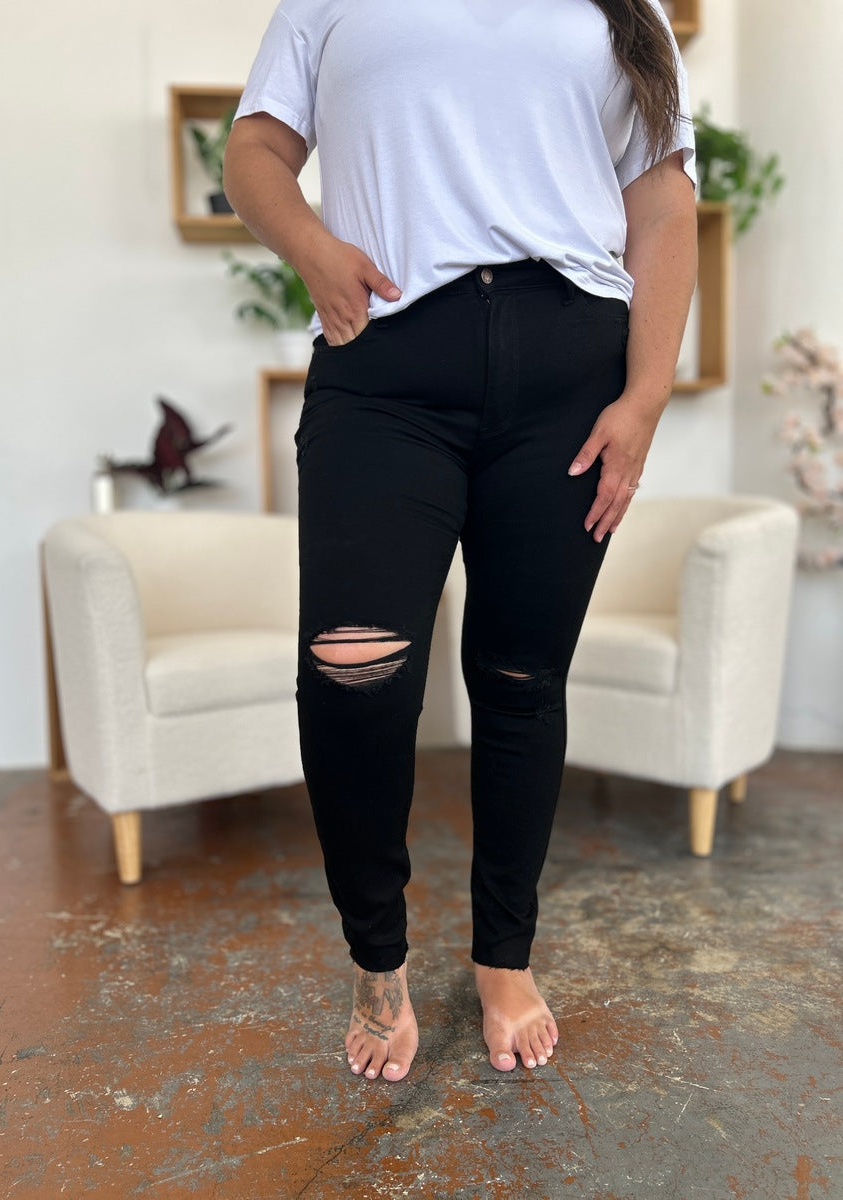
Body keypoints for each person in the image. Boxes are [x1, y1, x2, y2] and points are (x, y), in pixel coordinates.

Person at [223, 0, 698, 1083]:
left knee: (522, 676)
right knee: (355, 671)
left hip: (570, 373)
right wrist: (310, 247)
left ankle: (504, 957)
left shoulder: (625, 12)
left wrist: (647, 394)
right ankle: (377, 959)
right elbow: (254, 148)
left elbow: (664, 209)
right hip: (385, 366)